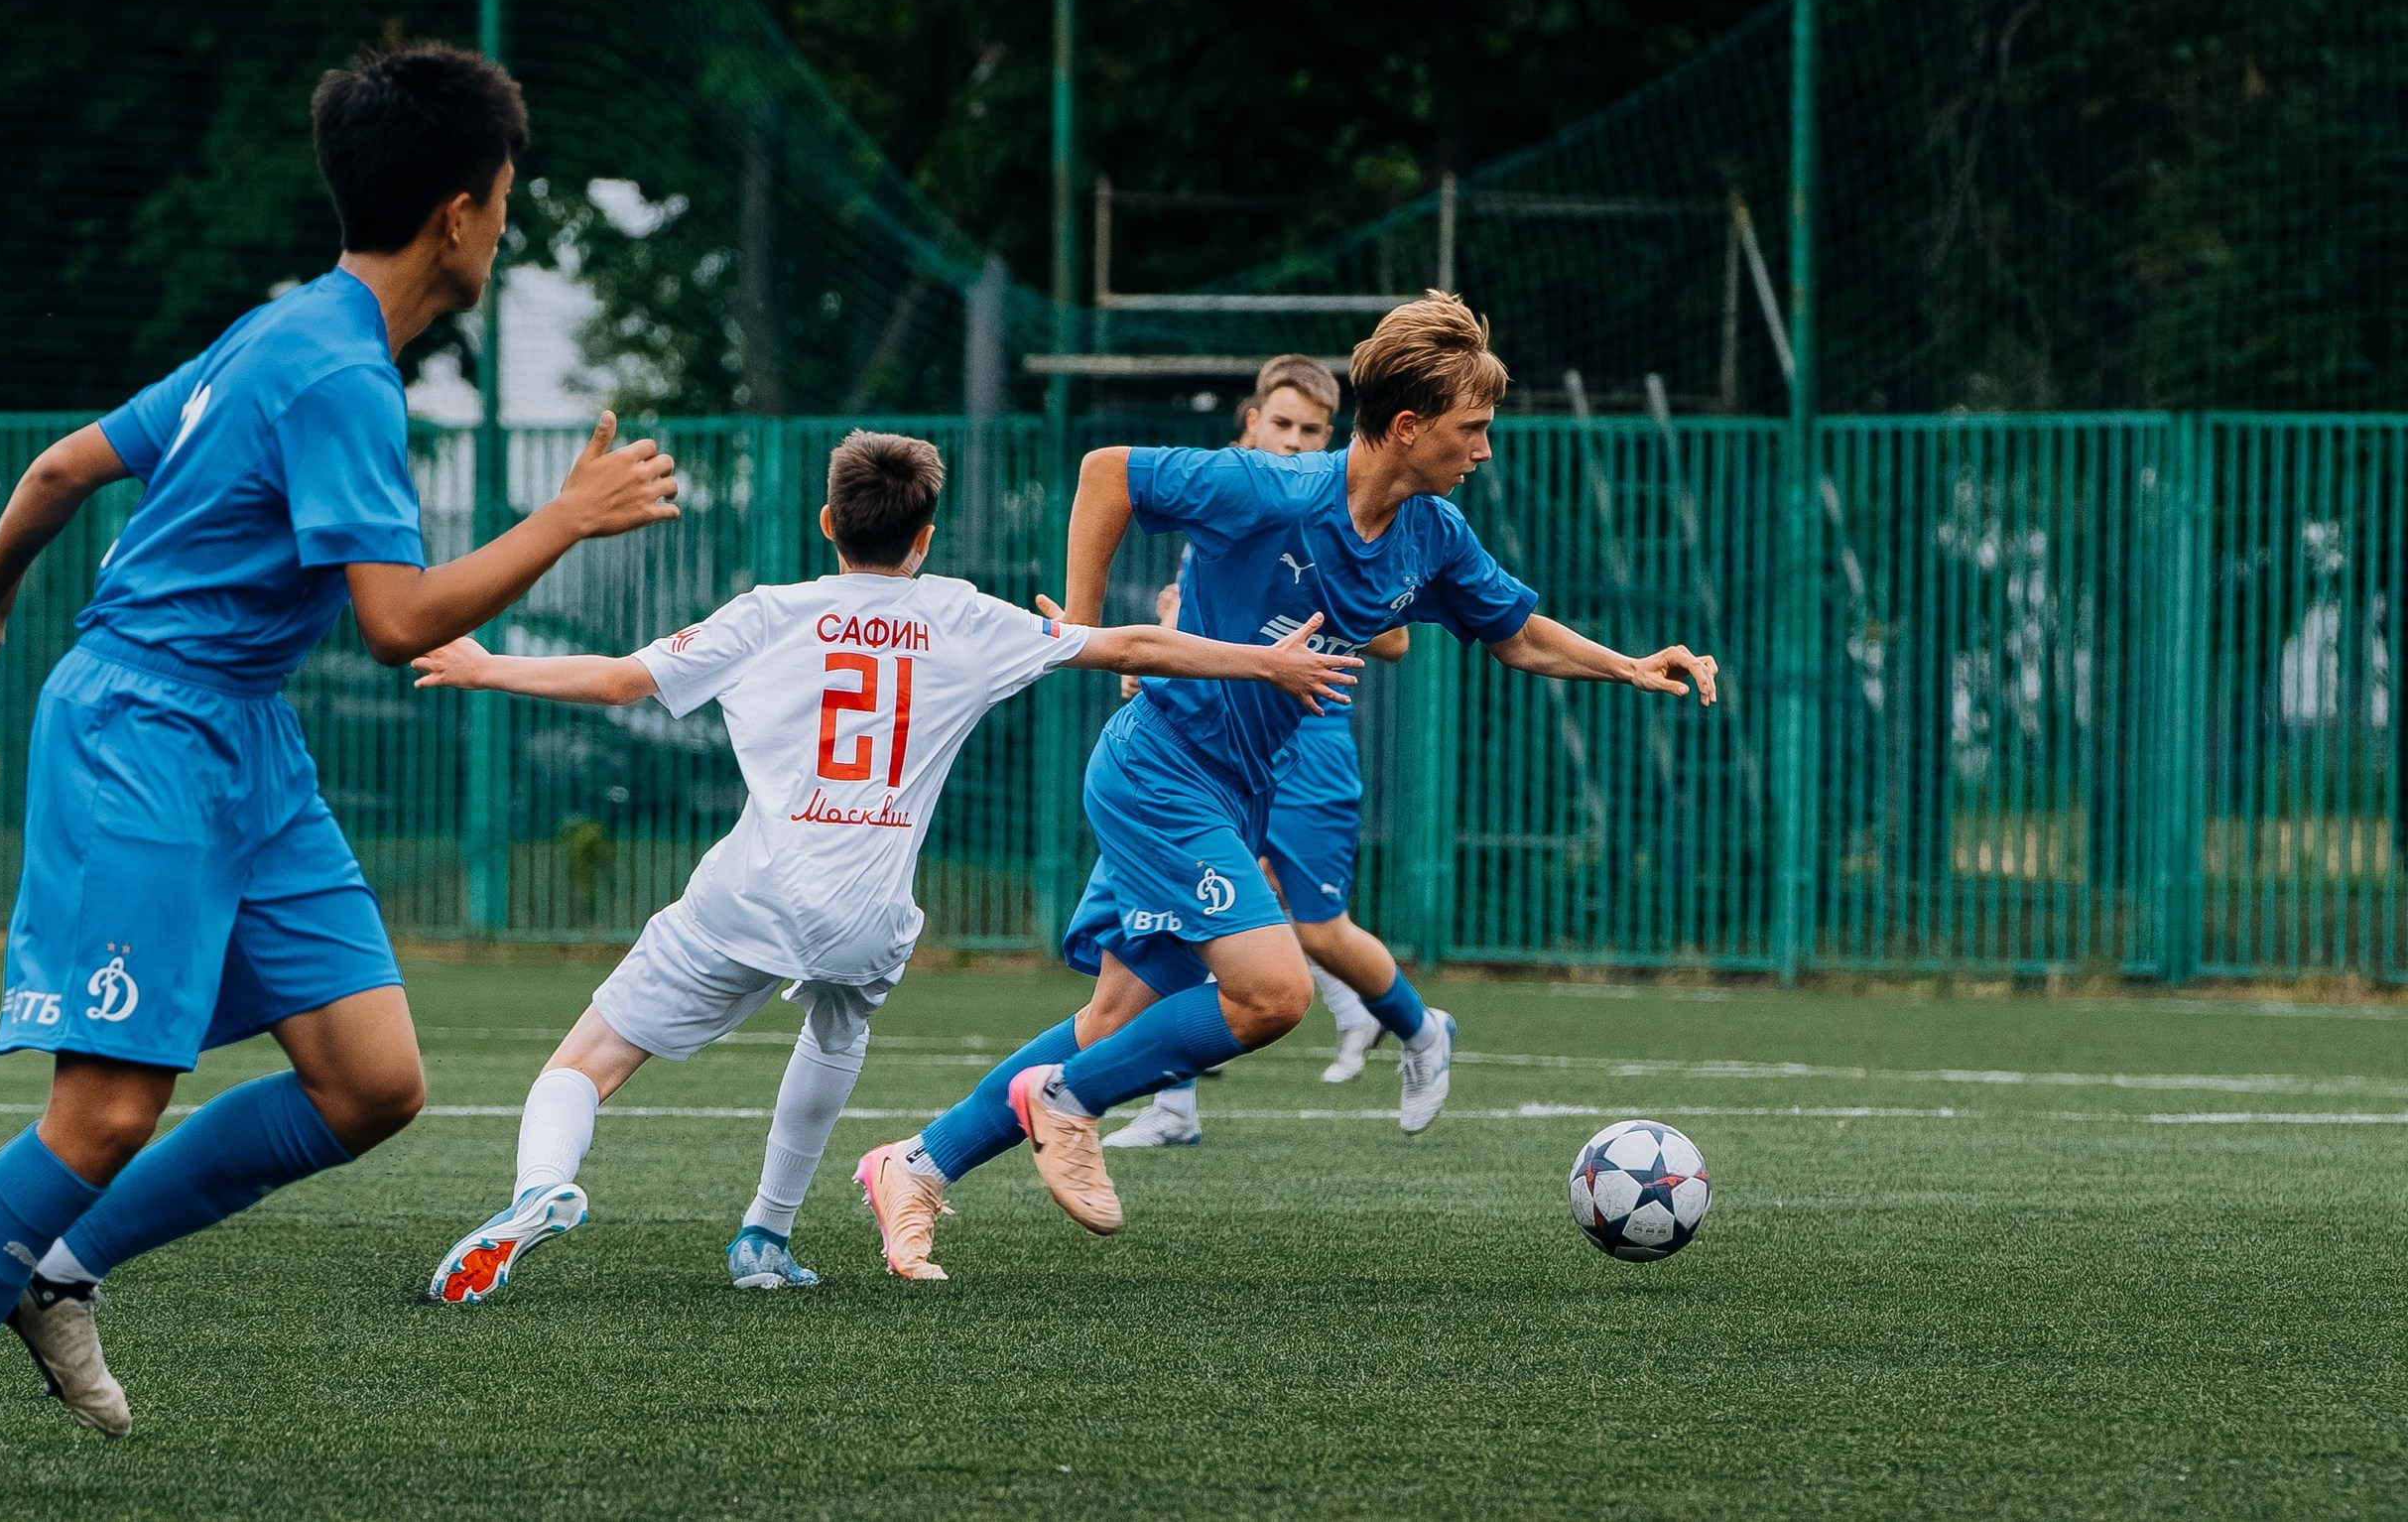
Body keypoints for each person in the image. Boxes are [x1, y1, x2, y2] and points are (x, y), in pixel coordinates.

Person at [0, 43, 683, 1502]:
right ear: (458, 213)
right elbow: (397, 624)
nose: (503, 227)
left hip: (242, 735)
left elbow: (61, 468)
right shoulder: (336, 372)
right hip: (144, 734)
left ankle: (60, 1269)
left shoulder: (284, 327)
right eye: (505, 202)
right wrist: (565, 518)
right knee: (105, 1112)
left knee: (371, 1082)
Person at [855, 293, 1717, 1280]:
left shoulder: (1431, 532)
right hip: (1160, 771)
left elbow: (1516, 634)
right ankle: (1067, 1101)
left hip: (1236, 791)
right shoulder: (1268, 487)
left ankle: (916, 1166)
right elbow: (1106, 474)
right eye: (1471, 428)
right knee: (1272, 993)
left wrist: (1628, 665)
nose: (1484, 449)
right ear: (1408, 426)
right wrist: (1083, 636)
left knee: (1115, 1019)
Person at [416, 432, 1360, 1301]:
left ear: (828, 522)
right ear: (926, 537)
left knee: (586, 1063)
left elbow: (621, 679)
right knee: (834, 1035)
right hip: (867, 914)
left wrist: (488, 665)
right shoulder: (963, 616)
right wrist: (1263, 663)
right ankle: (765, 1236)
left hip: (750, 896)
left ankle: (542, 1186)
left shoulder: (771, 613)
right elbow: (1133, 644)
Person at [1104, 355, 1424, 1153]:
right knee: (1176, 919)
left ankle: (1411, 1023)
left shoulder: (1332, 506)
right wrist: (1156, 648)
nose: (1293, 441)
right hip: (1199, 741)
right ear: (1249, 422)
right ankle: (1165, 1099)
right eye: (1280, 423)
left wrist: (1304, 623)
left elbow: (1393, 635)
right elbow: (1193, 610)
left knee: (1315, 928)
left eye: (1312, 430)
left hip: (1303, 737)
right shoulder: (1227, 492)